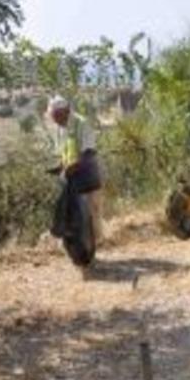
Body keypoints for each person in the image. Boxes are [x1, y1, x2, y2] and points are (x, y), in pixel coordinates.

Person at [46, 96, 104, 261]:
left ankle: (92, 253)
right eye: (53, 117)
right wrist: (60, 167)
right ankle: (82, 255)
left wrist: (73, 166)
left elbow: (89, 153)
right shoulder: (61, 128)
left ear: (66, 111)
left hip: (88, 179)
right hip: (72, 182)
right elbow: (65, 154)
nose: (55, 121)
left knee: (93, 219)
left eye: (56, 116)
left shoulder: (82, 123)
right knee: (74, 221)